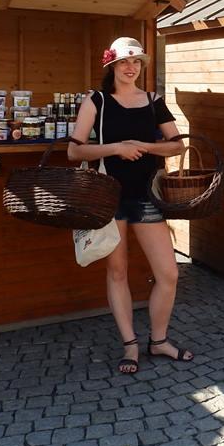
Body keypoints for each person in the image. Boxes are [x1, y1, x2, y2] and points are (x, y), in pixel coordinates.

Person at [68, 37, 189, 374]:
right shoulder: (97, 100)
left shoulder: (154, 100)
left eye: (136, 62)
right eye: (124, 62)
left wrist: (145, 147)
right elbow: (74, 151)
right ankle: (130, 345)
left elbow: (177, 146)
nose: (131, 67)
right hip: (109, 196)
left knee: (168, 273)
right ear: (112, 66)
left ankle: (159, 340)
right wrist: (116, 148)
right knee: (117, 271)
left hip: (146, 197)